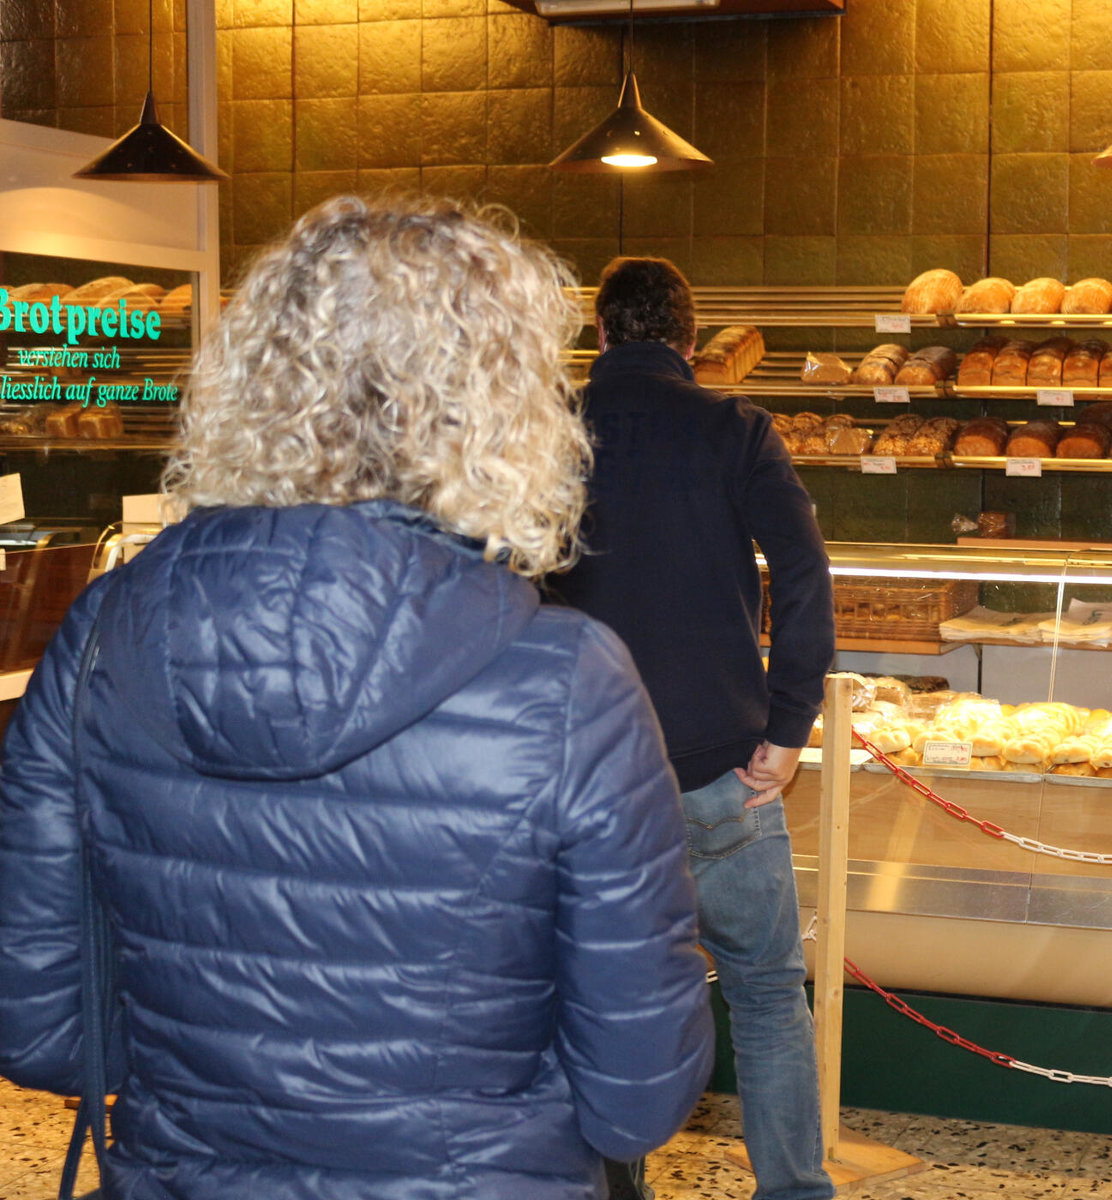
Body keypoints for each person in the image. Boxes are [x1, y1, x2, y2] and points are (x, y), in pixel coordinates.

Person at [0, 197, 714, 1198]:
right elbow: (636, 1099)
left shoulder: (99, 639)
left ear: (248, 381)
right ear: (502, 403)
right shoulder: (566, 681)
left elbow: (40, 1031)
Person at [556, 257, 836, 1200]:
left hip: (584, 781)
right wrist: (790, 723)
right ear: (687, 338)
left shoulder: (544, 436)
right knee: (764, 996)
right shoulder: (735, 427)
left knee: (602, 999)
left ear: (599, 336)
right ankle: (794, 1191)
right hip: (724, 770)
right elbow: (803, 572)